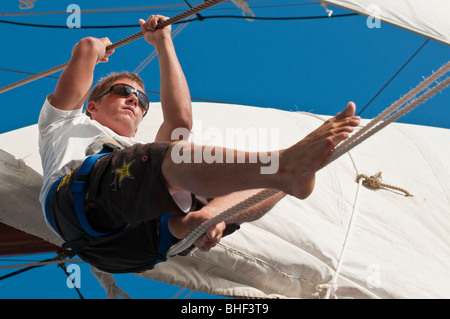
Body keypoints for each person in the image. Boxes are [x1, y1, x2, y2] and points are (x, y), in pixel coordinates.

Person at [38, 15, 360, 273]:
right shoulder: (65, 123)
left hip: (132, 250)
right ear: (92, 105)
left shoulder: (136, 158)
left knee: (198, 180)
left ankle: (212, 215)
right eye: (123, 91)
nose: (134, 99)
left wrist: (163, 41)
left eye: (142, 99)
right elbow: (86, 47)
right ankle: (282, 168)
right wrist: (97, 48)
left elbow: (180, 122)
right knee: (167, 160)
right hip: (77, 206)